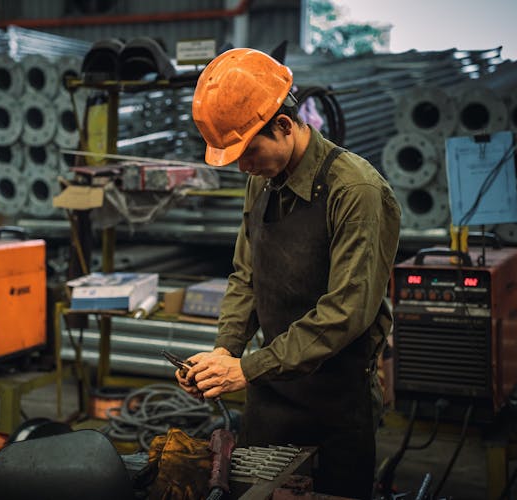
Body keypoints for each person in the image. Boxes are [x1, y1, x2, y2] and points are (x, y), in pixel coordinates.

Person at [175, 48, 401, 499]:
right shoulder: (263, 178)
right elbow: (246, 276)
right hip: (270, 395)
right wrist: (224, 355)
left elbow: (347, 311)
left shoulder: (356, 190)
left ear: (283, 125)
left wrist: (248, 367)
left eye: (247, 151)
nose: (242, 167)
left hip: (337, 400)